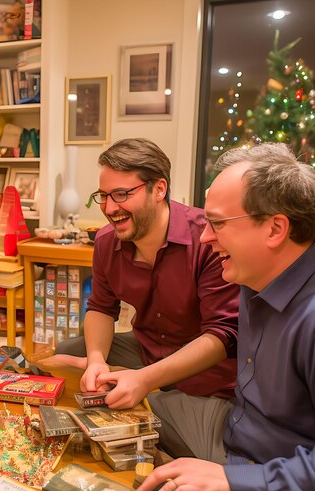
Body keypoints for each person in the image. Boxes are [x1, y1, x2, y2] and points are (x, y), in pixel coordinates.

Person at [135, 143, 315, 491]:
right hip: (241, 439)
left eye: (217, 224)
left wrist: (232, 481)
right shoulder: (255, 273)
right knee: (141, 410)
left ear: (275, 229)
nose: (205, 237)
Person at [54, 138, 239, 408]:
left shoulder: (207, 239)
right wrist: (96, 360)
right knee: (69, 352)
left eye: (121, 194)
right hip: (147, 350)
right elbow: (101, 309)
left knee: (165, 426)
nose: (109, 208)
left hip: (206, 373)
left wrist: (145, 380)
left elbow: (222, 335)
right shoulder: (106, 242)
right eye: (103, 196)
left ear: (159, 189)